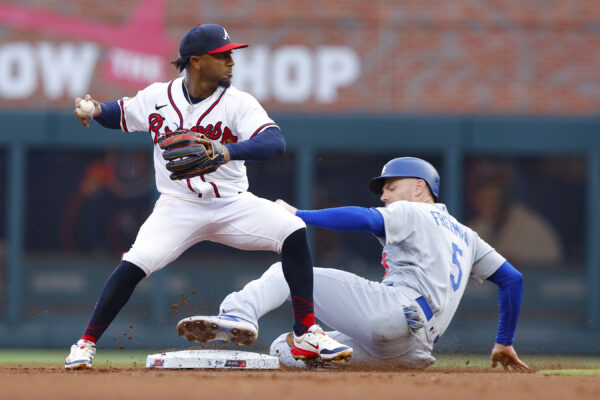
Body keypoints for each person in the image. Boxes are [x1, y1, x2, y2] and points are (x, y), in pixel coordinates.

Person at [65, 23, 352, 369]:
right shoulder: (158, 97)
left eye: (231, 54)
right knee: (135, 263)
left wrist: (226, 152)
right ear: (197, 61)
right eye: (223, 55)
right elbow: (121, 113)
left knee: (292, 231)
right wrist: (95, 110)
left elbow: (275, 142)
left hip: (232, 203)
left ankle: (305, 334)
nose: (232, 61)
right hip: (178, 207)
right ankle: (85, 343)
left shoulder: (237, 102)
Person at [178, 157, 530, 371]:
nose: (384, 195)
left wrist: (298, 214)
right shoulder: (467, 237)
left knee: (286, 272)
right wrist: (504, 341)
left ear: (420, 187)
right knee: (284, 350)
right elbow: (512, 280)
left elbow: (365, 219)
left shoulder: (413, 211)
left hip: (394, 312)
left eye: (392, 186)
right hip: (415, 350)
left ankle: (237, 314)